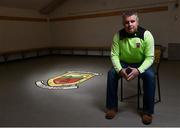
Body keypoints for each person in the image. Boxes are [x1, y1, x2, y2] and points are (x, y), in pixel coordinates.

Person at [105, 10, 155, 125]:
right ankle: (112, 107)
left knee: (150, 76)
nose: (130, 24)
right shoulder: (118, 35)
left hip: (141, 63)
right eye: (127, 22)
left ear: (137, 22)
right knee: (111, 73)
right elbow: (114, 55)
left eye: (132, 21)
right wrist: (119, 70)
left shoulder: (146, 35)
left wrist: (138, 70)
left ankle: (147, 112)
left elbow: (150, 58)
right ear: (123, 23)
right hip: (124, 63)